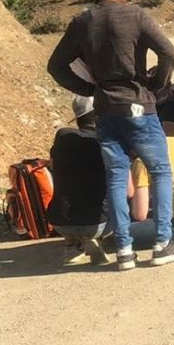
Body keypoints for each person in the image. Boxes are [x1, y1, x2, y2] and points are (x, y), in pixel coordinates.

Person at [47, 0, 174, 271]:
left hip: (105, 110)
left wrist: (88, 88)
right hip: (139, 105)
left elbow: (56, 66)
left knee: (116, 175)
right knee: (160, 170)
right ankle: (163, 243)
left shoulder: (82, 21)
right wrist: (157, 84)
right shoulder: (135, 15)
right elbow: (168, 52)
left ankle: (124, 249)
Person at [47, 95, 109, 265]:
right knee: (120, 194)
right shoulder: (105, 141)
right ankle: (99, 238)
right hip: (97, 222)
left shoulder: (62, 135)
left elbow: (52, 167)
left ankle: (72, 245)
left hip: (59, 221)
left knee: (71, 189)